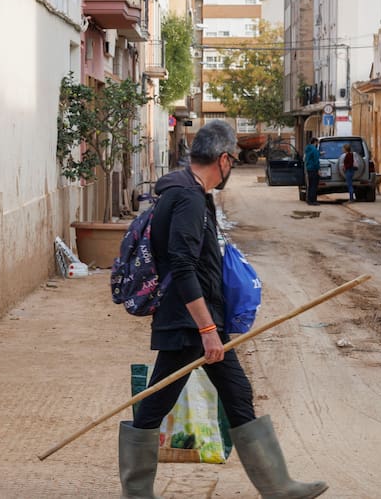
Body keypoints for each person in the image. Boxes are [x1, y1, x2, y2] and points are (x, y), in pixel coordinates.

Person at [117, 120, 327, 499]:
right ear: (225, 159)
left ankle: (278, 487)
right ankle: (137, 493)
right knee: (155, 406)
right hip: (189, 325)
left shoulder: (187, 193)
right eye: (233, 160)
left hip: (194, 321)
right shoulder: (188, 199)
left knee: (236, 393)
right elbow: (182, 266)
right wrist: (207, 330)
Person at [303, 136, 321, 206]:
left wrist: (319, 153)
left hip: (308, 168)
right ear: (315, 142)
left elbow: (308, 157)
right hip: (314, 169)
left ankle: (309, 200)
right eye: (317, 143)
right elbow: (316, 161)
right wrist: (318, 169)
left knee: (310, 185)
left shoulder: (308, 149)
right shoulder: (315, 150)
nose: (317, 144)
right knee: (314, 185)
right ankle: (313, 200)